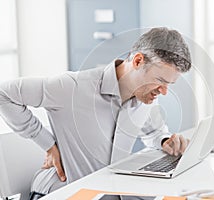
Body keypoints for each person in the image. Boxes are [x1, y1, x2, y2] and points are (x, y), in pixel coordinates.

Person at [0, 27, 192, 198]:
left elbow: (154, 133)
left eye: (169, 84)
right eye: (160, 80)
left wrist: (166, 141)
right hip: (62, 192)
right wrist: (48, 144)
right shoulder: (72, 87)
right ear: (138, 60)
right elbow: (4, 94)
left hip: (109, 192)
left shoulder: (145, 96)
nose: (164, 91)